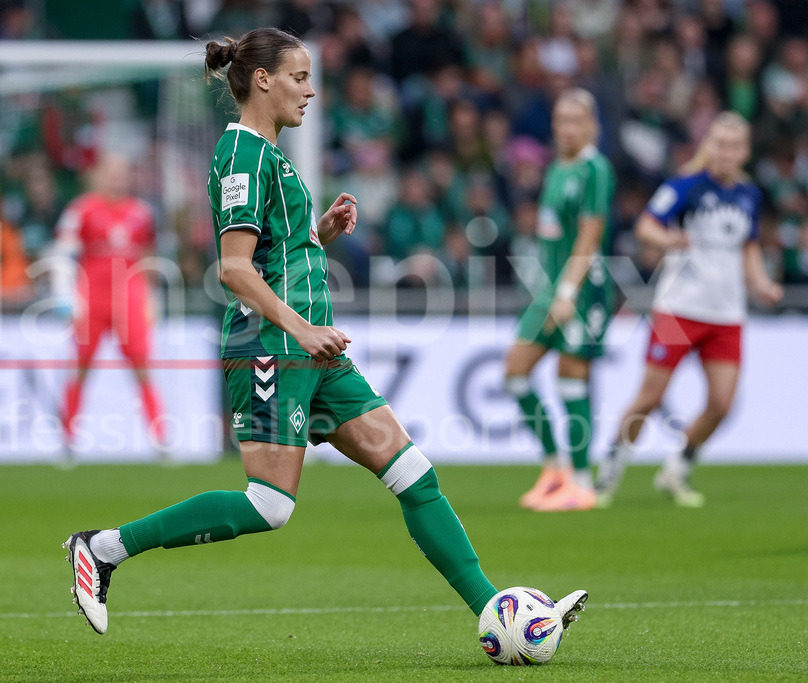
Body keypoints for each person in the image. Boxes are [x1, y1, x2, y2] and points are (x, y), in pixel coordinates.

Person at [62, 27, 588, 640]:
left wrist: (318, 234)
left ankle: (497, 612)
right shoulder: (242, 154)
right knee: (269, 504)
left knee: (415, 475)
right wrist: (303, 329)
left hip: (313, 351)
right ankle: (103, 548)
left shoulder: (270, 154)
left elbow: (273, 253)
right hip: (271, 347)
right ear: (263, 80)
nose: (311, 91)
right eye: (300, 77)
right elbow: (234, 269)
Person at [595, 112, 783, 508]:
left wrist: (761, 282)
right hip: (678, 309)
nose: (726, 152)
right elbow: (646, 225)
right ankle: (612, 464)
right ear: (709, 146)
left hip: (726, 313)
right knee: (650, 397)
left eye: (734, 146)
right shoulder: (686, 185)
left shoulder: (749, 195)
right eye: (721, 144)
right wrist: (668, 240)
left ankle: (678, 466)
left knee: (722, 404)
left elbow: (749, 247)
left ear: (745, 152)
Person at [503, 89, 616, 513]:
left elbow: (590, 235)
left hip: (582, 290)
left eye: (575, 121)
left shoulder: (594, 169)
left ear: (592, 126)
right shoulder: (557, 168)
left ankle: (582, 482)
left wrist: (568, 291)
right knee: (515, 373)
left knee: (571, 378)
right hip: (550, 289)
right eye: (561, 120)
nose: (567, 129)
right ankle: (555, 467)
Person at [50, 153, 166, 460]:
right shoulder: (81, 210)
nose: (116, 177)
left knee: (142, 368)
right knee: (80, 367)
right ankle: (67, 439)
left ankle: (160, 438)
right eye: (110, 172)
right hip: (92, 297)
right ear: (98, 175)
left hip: (129, 296)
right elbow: (62, 252)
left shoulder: (141, 213)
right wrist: (64, 294)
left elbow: (147, 256)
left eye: (121, 172)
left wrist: (152, 297)